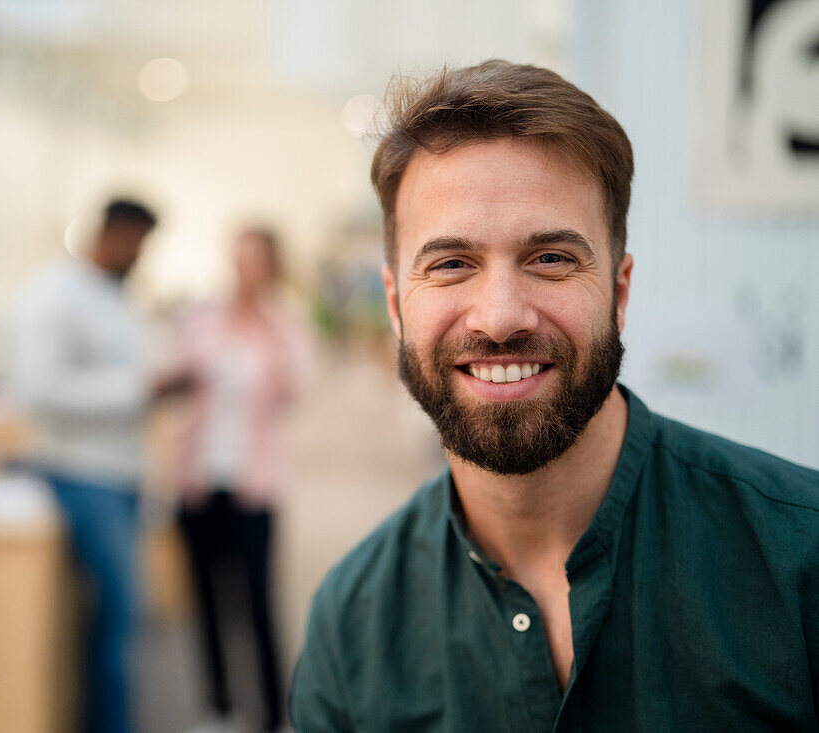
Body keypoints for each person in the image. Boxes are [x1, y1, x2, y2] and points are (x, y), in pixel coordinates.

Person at [289, 61, 819, 732]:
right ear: (396, 305)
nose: (502, 316)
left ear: (619, 292)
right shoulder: (353, 620)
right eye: (451, 263)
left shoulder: (802, 560)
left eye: (551, 258)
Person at [5, 198, 157, 733]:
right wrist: (140, 389)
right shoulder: (54, 296)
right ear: (114, 233)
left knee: (111, 622)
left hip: (119, 474)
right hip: (79, 475)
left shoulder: (114, 296)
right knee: (121, 619)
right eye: (138, 243)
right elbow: (38, 390)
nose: (141, 256)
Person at [164, 228, 309, 733]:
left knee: (258, 604)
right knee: (205, 602)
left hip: (255, 484)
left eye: (254, 260)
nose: (243, 269)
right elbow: (175, 376)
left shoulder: (285, 326)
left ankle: (272, 714)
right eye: (237, 258)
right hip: (198, 481)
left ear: (270, 266)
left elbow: (297, 391)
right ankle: (218, 707)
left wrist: (270, 347)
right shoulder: (202, 320)